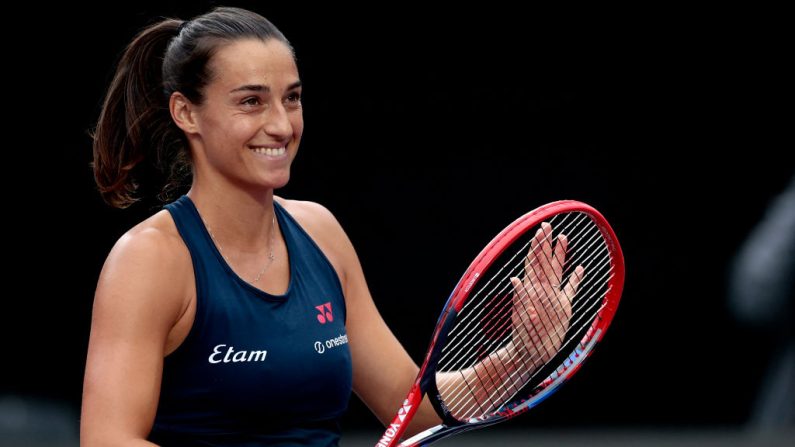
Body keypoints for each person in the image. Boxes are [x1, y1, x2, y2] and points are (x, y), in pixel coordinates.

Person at [81, 7, 575, 446]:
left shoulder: (321, 232)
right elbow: (106, 439)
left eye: (291, 98)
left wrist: (519, 357)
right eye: (251, 101)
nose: (281, 124)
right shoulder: (150, 259)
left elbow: (415, 412)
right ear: (187, 112)